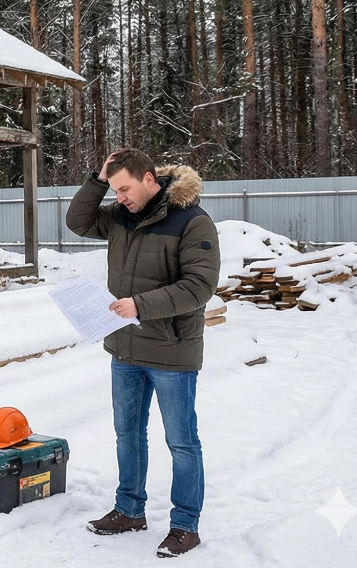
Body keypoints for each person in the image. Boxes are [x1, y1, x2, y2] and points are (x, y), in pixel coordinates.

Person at [65, 148, 220, 559]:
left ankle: (185, 526)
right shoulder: (119, 217)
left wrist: (141, 305)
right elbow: (77, 222)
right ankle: (129, 510)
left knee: (182, 442)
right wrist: (98, 180)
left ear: (149, 178)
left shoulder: (192, 221)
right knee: (128, 434)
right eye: (114, 190)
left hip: (171, 349)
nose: (120, 198)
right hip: (126, 346)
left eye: (125, 188)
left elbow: (199, 286)